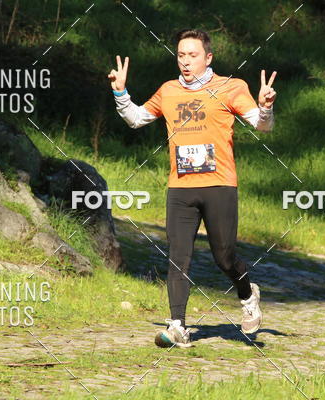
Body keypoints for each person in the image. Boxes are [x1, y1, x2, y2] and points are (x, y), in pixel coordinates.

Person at [108, 29, 277, 348]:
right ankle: (178, 326)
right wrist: (121, 93)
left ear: (208, 58)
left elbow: (262, 125)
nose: (185, 61)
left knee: (224, 257)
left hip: (219, 185)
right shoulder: (168, 90)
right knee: (178, 257)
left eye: (193, 55)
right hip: (180, 188)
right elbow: (137, 118)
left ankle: (247, 294)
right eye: (181, 55)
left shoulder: (231, 87)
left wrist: (266, 107)